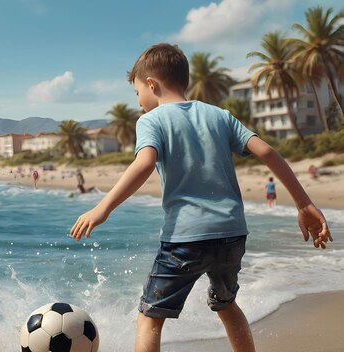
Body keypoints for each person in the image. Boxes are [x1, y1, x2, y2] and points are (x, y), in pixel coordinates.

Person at [69, 43, 332, 352]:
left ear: (151, 84)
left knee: (149, 317)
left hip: (185, 238)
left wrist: (103, 208)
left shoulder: (151, 121)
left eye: (138, 92)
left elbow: (143, 164)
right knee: (226, 305)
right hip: (232, 235)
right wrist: (304, 203)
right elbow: (268, 152)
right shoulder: (220, 116)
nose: (139, 101)